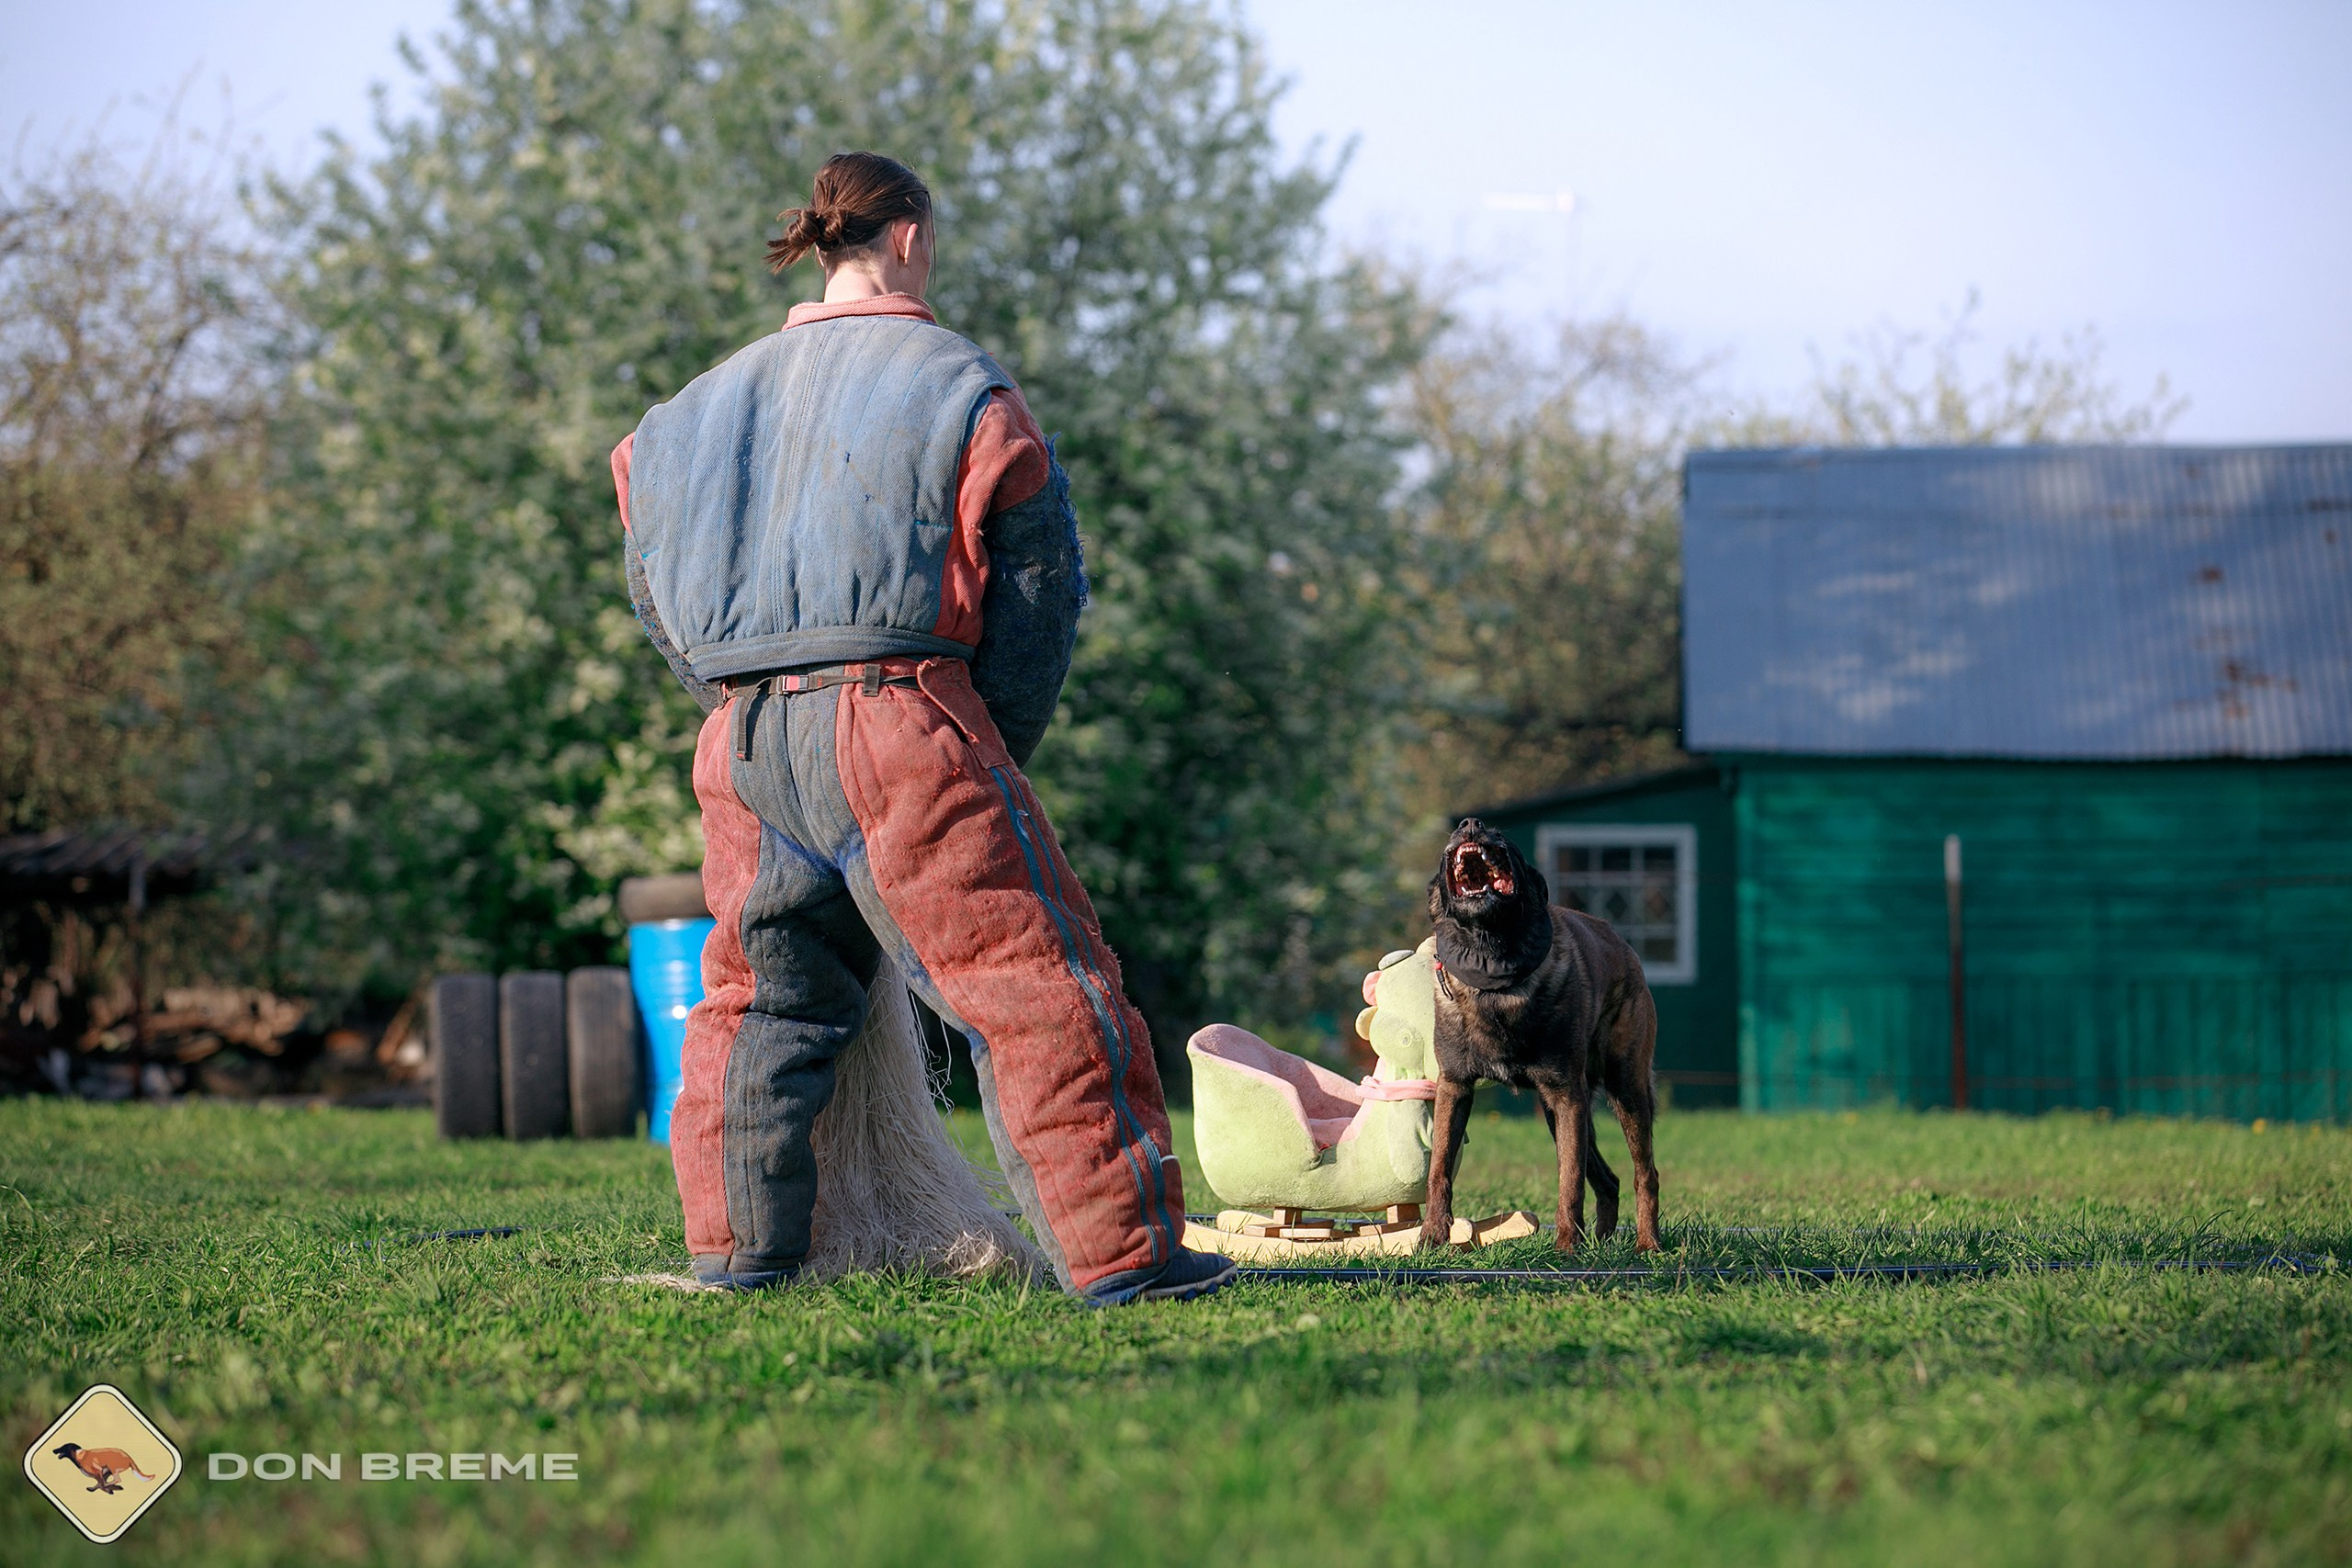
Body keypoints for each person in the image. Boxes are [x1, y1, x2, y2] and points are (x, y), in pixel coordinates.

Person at [611, 152, 1235, 1303]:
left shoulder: (685, 413)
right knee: (1037, 990)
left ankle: (738, 1253)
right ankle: (1125, 1259)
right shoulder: (960, 383)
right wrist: (987, 743)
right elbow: (1040, 592)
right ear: (905, 238)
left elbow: (652, 589)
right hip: (903, 721)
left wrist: (735, 701)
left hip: (745, 739)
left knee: (761, 1002)